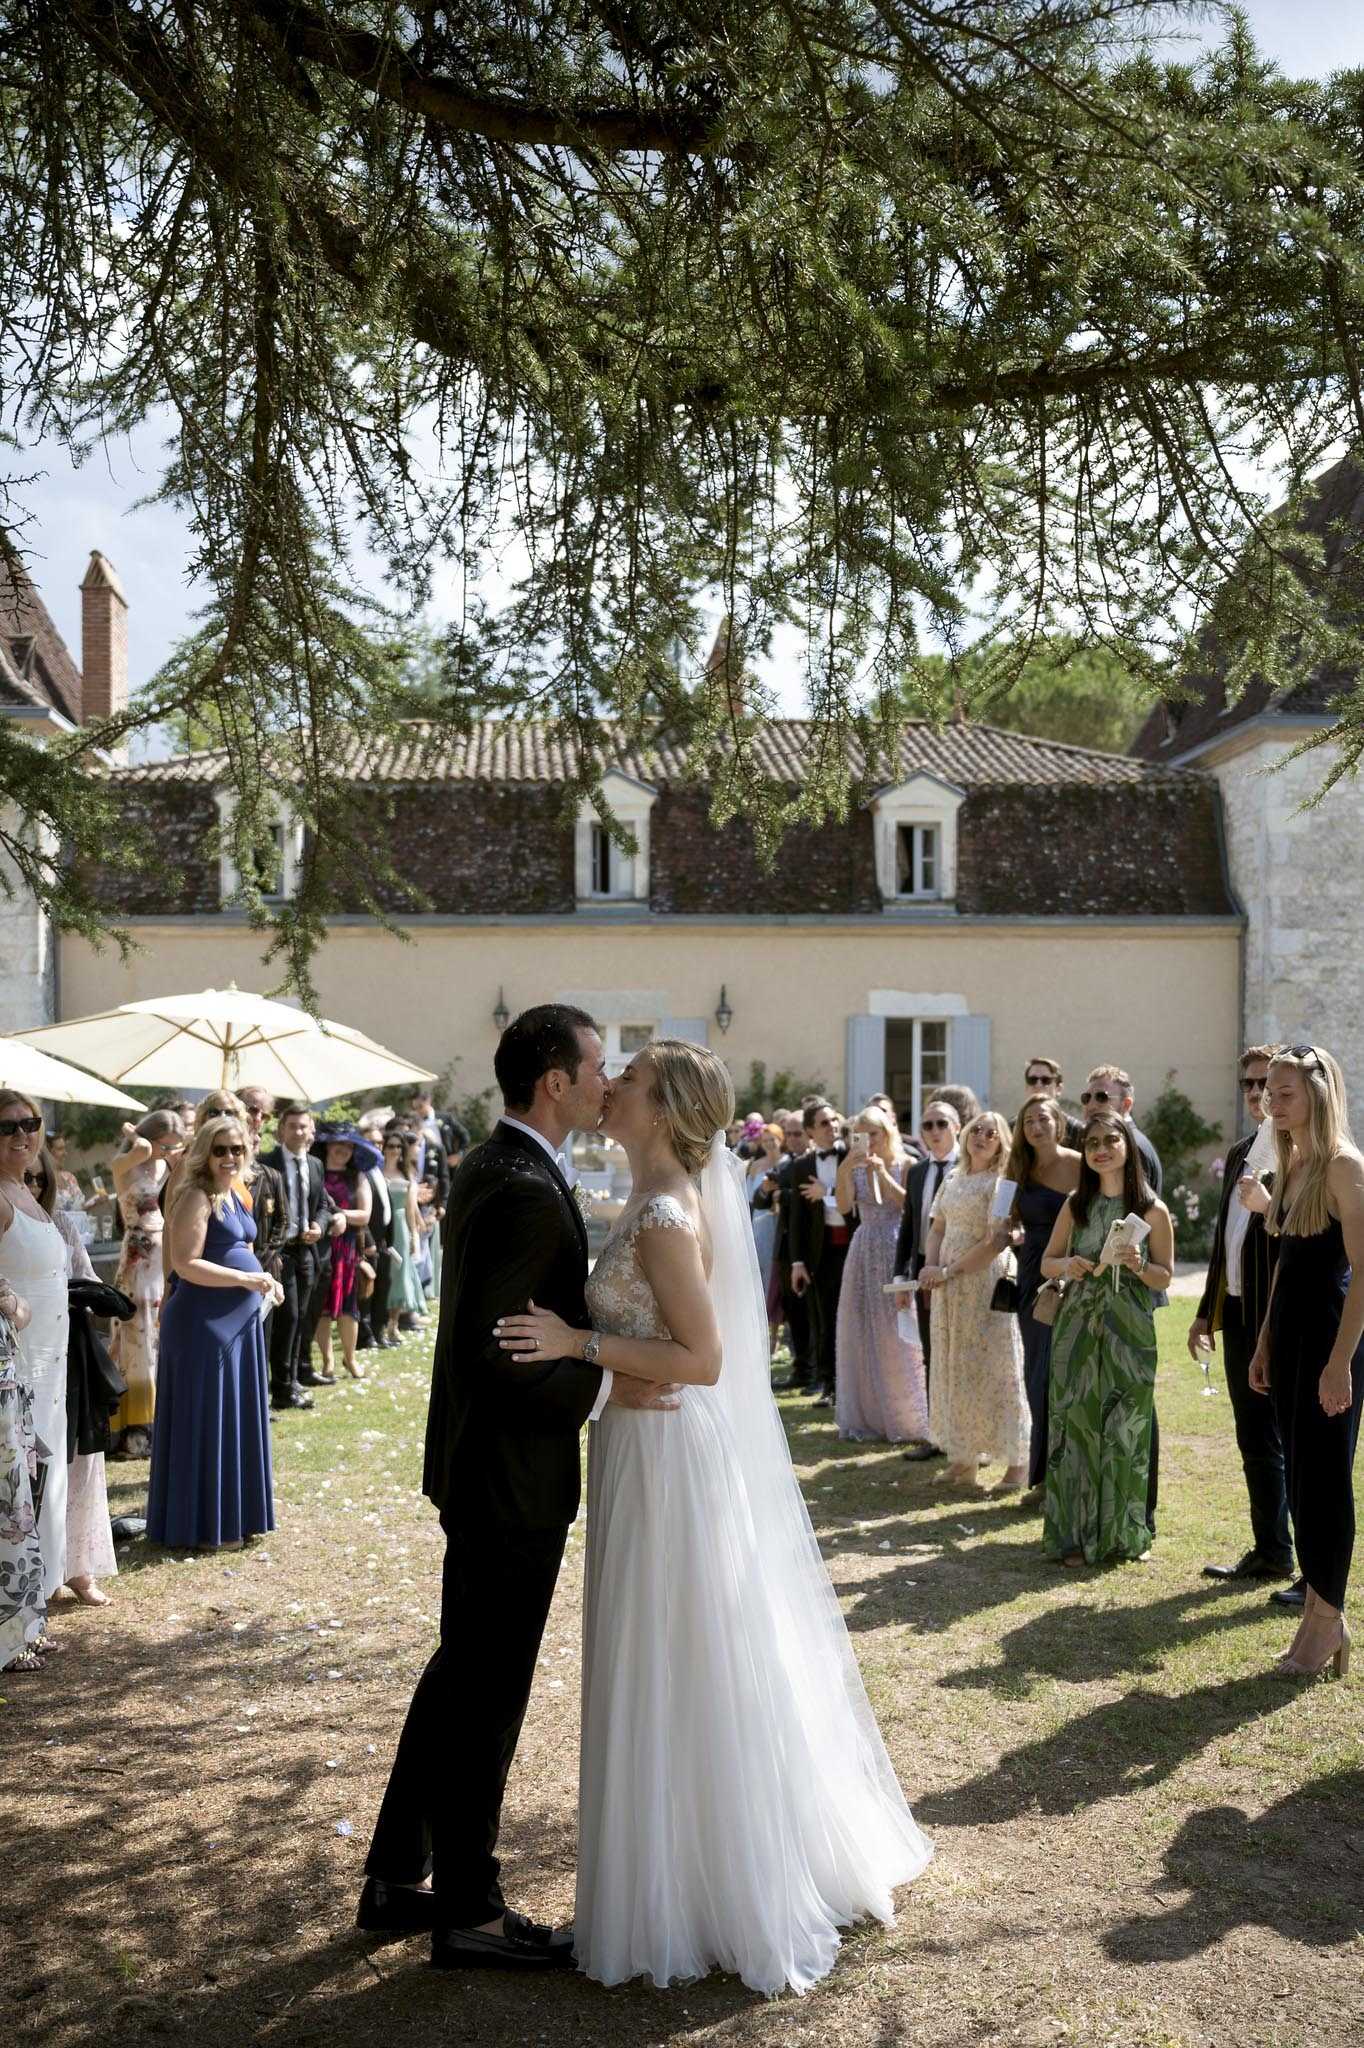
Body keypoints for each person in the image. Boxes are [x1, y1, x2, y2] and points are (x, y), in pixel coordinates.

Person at [497, 1038, 932, 1995]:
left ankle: (695, 1891)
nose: (611, 1089)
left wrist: (581, 1343)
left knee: (677, 1654)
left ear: (666, 1111)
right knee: (662, 1652)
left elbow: (704, 1360)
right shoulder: (655, 1197)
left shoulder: (662, 1212)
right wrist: (605, 1363)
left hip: (665, 1460)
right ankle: (669, 1875)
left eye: (632, 1084)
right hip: (637, 1445)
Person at [358, 1004, 672, 1970]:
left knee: (460, 1674)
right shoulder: (526, 1188)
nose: (607, 1079)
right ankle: (470, 1907)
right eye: (595, 1066)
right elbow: (508, 1356)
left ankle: (397, 1876)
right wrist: (607, 1374)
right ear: (555, 1082)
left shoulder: (501, 1162)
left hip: (480, 1467)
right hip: (508, 1478)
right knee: (486, 1691)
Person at [1249, 1044, 1364, 1679]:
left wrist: (1340, 1361)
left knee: (1324, 1481)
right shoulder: (1291, 1167)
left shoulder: (1347, 1167)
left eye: (1284, 1091)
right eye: (1269, 1090)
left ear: (1319, 1093)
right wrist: (1264, 1340)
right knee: (1301, 1476)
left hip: (1330, 1342)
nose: (1272, 1101)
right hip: (1290, 1339)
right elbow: (1284, 1269)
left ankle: (1327, 1618)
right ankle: (1321, 1613)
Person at [1040, 1114, 1174, 1566]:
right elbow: (1046, 1263)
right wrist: (1069, 1264)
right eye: (1092, 1142)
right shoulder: (1076, 1203)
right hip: (1077, 1325)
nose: (1100, 1149)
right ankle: (1075, 1537)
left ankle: (1121, 1534)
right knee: (1076, 1425)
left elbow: (1165, 1276)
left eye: (1110, 1140)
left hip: (1130, 1329)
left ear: (1127, 1146)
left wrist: (1137, 1265)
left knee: (1125, 1429)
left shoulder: (1152, 1210)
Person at [146, 1117, 281, 1549]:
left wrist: (265, 1280)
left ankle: (236, 1517)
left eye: (237, 1149)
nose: (229, 1157)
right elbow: (186, 1263)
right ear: (205, 1151)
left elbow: (241, 1250)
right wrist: (246, 1281)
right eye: (221, 1149)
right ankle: (203, 1527)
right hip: (203, 1325)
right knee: (207, 1422)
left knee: (233, 1418)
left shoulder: (234, 1193)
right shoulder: (195, 1196)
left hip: (236, 1326)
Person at [1190, 1046, 1294, 1586]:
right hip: (1237, 1310)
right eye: (1249, 1085)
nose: (1257, 1094)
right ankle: (1272, 1550)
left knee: (1291, 1441)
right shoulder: (1239, 1154)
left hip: (1283, 1315)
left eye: (1266, 1084)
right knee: (1253, 1438)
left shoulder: (1301, 1153)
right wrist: (1206, 1312)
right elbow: (1223, 1243)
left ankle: (1310, 1569)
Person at [919, 1110, 1029, 1490]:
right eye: (977, 1130)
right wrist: (931, 1266)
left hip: (983, 1283)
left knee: (997, 1370)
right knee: (955, 1367)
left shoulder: (1002, 1184)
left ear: (1002, 1143)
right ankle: (963, 1459)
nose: (982, 1136)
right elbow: (937, 1228)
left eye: (992, 1133)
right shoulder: (952, 1177)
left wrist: (951, 1271)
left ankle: (1017, 1463)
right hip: (949, 1289)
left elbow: (994, 1240)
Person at [32, 1148, 119, 1606]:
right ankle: (37, 1570)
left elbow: (88, 1280)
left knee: (79, 1461)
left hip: (71, 1354)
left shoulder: (61, 1224)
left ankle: (78, 1566)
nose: (29, 1188)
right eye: (23, 1180)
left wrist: (78, 1296)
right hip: (23, 1356)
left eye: (37, 1181)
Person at [0, 1092, 71, 1626]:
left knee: (45, 1473)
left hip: (53, 1359)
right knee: (19, 1479)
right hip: (18, 1361)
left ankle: (40, 1588)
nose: (22, 1134)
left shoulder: (25, 1190)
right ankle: (20, 1609)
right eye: (8, 1127)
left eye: (30, 1123)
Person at [834, 1106, 927, 1443]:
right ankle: (868, 1413)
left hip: (895, 1245)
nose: (869, 1140)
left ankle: (906, 1415)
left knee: (895, 1329)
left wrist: (882, 1174)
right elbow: (844, 1208)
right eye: (862, 1134)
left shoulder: (906, 1164)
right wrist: (846, 1169)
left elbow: (910, 1206)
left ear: (888, 1132)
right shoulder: (854, 1167)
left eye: (874, 1133)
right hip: (864, 1245)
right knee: (862, 1327)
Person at [1006, 1098, 1082, 1495]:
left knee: (1068, 1371)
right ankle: (1042, 1476)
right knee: (1038, 1373)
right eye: (1028, 1120)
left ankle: (1072, 1470)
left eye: (1043, 1118)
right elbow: (1004, 1222)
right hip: (1034, 1274)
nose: (1036, 1126)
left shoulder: (1081, 1162)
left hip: (1076, 1268)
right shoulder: (1016, 1168)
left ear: (1059, 1124)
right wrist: (1008, 1230)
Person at [109, 1110, 185, 1457]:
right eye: (164, 1144)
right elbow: (139, 1147)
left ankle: (161, 1421)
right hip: (138, 1260)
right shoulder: (130, 1160)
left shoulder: (167, 1165)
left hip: (162, 1257)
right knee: (136, 1342)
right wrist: (140, 1136)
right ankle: (134, 1430)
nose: (170, 1150)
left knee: (158, 1339)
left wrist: (169, 1152)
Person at [892, 1099, 961, 1462]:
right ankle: (936, 1434)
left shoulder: (969, 1167)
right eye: (927, 1125)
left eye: (941, 1124)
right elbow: (908, 1227)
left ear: (956, 1127)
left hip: (962, 1268)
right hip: (922, 1269)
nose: (934, 1132)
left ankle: (964, 1435)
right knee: (931, 1351)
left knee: (961, 1350)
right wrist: (901, 1275)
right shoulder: (917, 1172)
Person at [258, 1103, 338, 1407]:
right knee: (287, 1318)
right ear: (281, 1130)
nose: (299, 1131)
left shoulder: (315, 1164)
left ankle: (288, 1383)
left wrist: (320, 1224)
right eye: (292, 1126)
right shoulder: (267, 1163)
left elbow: (322, 1204)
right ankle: (280, 1387)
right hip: (280, 1252)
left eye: (304, 1126)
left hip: (308, 1250)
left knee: (300, 1318)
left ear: (311, 1131)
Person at [789, 1100, 854, 1407]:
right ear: (811, 1131)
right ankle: (829, 1384)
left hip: (854, 1245)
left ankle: (855, 1385)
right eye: (824, 1123)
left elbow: (858, 1203)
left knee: (853, 1316)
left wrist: (826, 1193)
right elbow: (797, 1221)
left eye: (834, 1121)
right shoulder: (802, 1166)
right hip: (822, 1252)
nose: (832, 1127)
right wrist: (797, 1262)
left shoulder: (853, 1156)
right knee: (825, 1319)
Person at [0, 1258, 45, 1674]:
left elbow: (23, 1315)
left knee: (11, 1511)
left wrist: (9, 1301)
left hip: (7, 1404)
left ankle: (16, 1635)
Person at [311, 1126, 376, 1382]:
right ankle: (327, 1362)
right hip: (321, 1246)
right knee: (323, 1308)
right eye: (339, 1144)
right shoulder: (315, 1171)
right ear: (327, 1145)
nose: (343, 1150)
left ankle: (351, 1359)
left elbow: (365, 1215)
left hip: (348, 1249)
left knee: (350, 1307)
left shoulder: (357, 1177)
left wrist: (336, 1213)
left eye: (349, 1146)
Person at [770, 1111, 814, 1390]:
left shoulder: (814, 1162)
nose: (793, 1139)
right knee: (793, 1312)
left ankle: (815, 1373)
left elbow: (804, 1200)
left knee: (811, 1313)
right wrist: (769, 1192)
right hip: (786, 1247)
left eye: (798, 1133)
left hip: (811, 1247)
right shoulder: (786, 1164)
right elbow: (763, 1199)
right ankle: (801, 1370)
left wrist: (781, 1194)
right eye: (790, 1134)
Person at [1080, 1066, 1163, 1193]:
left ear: (1126, 1105)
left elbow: (1138, 1207)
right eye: (1086, 1098)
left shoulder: (1133, 1146)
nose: (1091, 1105)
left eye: (1101, 1097)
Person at [381, 1129, 428, 1341]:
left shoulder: (407, 1173)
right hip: (382, 1226)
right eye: (390, 1146)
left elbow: (411, 1209)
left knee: (400, 1275)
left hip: (400, 1227)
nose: (395, 1150)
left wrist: (413, 1237)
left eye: (398, 1146)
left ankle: (394, 1323)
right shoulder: (376, 1170)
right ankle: (379, 1323)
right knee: (384, 1275)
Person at [744, 1121, 784, 1325]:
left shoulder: (786, 1163)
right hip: (758, 1222)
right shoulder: (756, 1165)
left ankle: (775, 1326)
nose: (769, 1144)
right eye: (765, 1140)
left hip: (778, 1222)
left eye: (773, 1140)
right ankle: (758, 1323)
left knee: (773, 1274)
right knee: (756, 1272)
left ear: (780, 1140)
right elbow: (749, 1199)